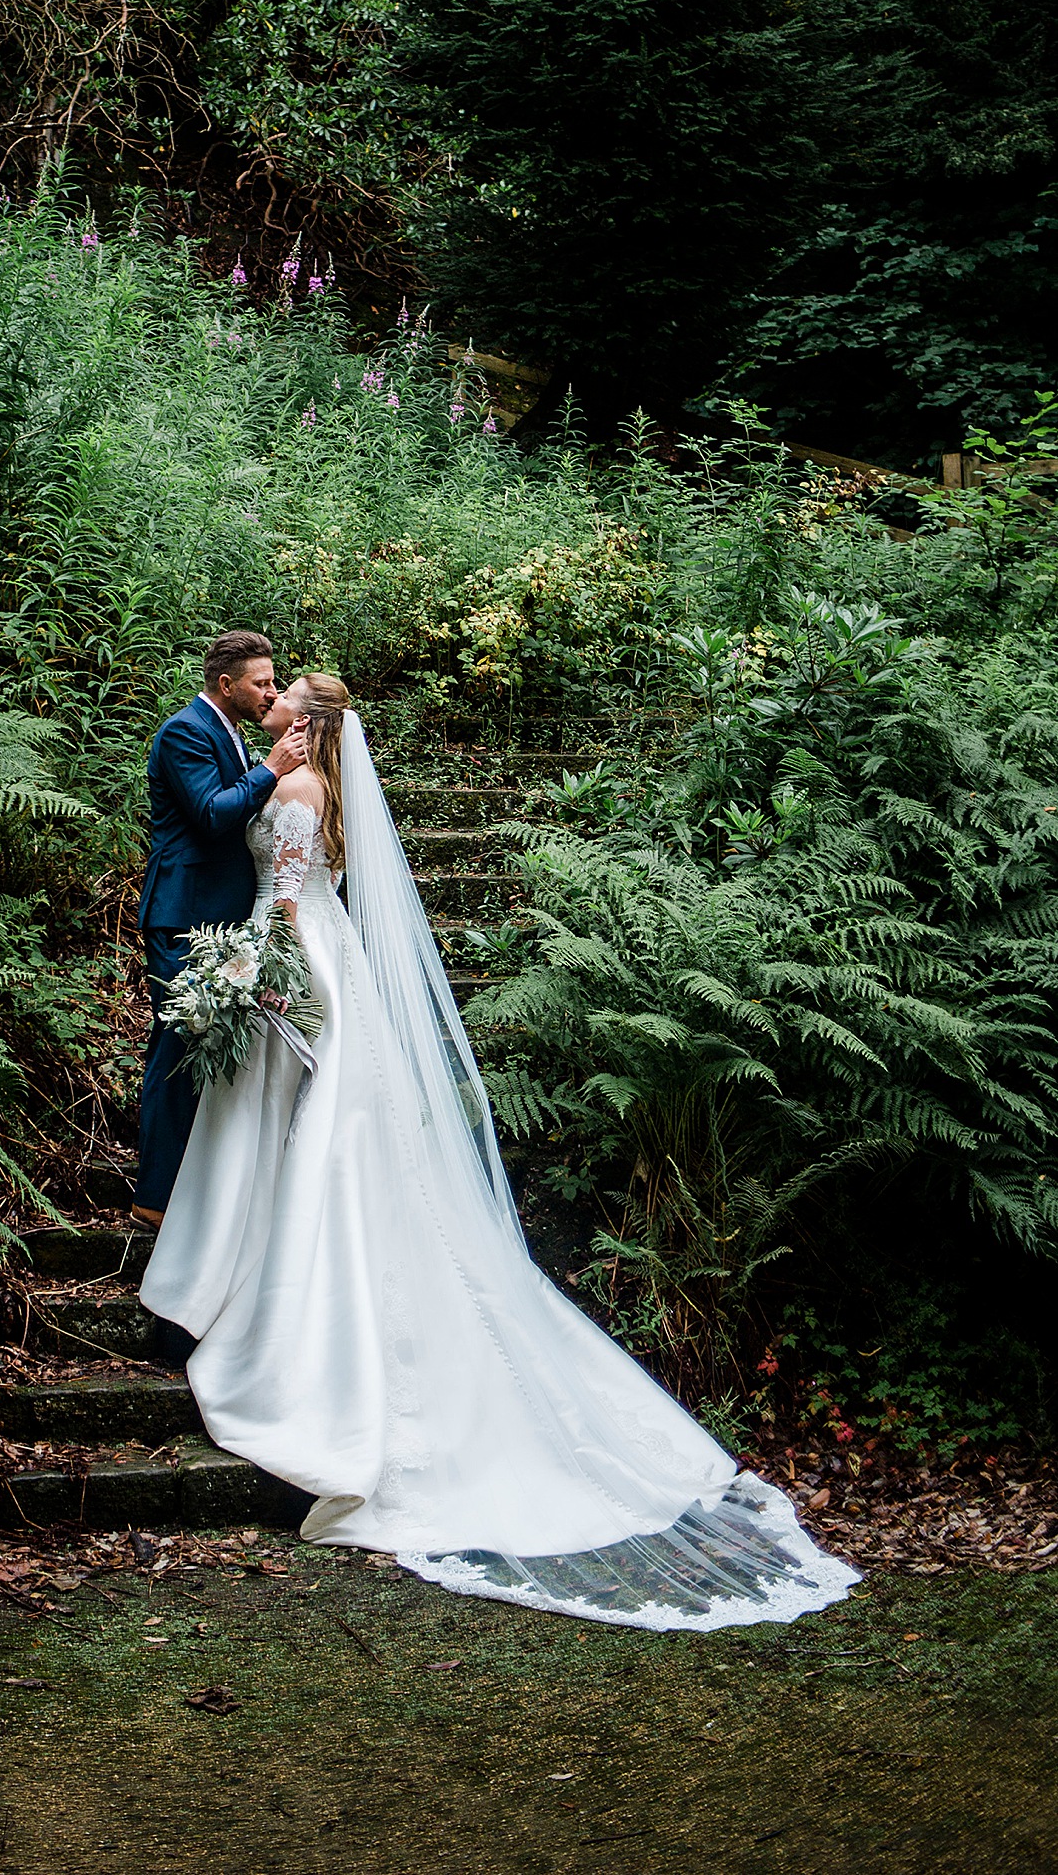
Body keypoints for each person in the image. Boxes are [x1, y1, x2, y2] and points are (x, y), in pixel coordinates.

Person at [141, 672, 860, 1633]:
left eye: (283, 699)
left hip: (296, 955)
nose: (267, 706)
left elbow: (284, 896)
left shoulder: (301, 788)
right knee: (314, 1128)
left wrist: (247, 971)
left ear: (304, 722)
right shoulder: (312, 783)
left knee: (313, 1135)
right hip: (325, 950)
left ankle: (254, 1293)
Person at [133, 632, 310, 1231]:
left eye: (274, 681)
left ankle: (191, 1183)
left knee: (199, 1046)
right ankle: (155, 1196)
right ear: (225, 684)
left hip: (221, 919)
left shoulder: (231, 732)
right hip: (182, 915)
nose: (271, 691)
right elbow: (212, 815)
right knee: (178, 1045)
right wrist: (269, 770)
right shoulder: (185, 731)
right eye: (261, 682)